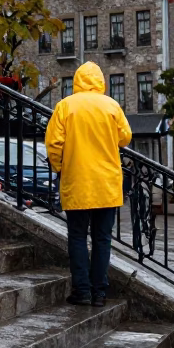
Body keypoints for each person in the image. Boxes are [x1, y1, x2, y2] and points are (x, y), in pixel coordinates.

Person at [45, 62, 132, 306]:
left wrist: (61, 168)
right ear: (100, 82)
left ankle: (81, 290)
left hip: (78, 182)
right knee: (102, 238)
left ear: (77, 81)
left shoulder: (65, 106)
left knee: (77, 237)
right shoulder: (111, 106)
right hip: (106, 183)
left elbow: (53, 144)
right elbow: (125, 138)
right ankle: (100, 292)